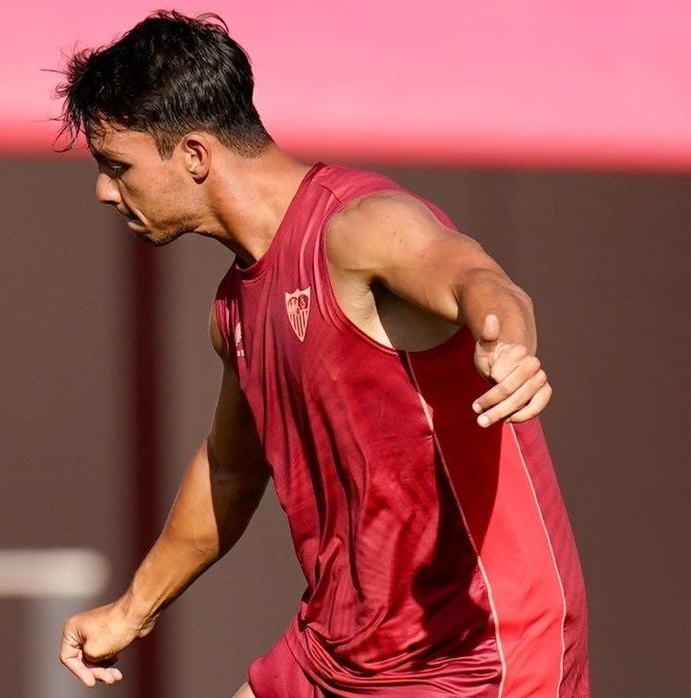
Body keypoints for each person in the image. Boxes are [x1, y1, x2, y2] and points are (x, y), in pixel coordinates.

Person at [55, 10, 588, 698]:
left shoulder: (356, 226)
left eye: (117, 166)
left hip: (472, 651)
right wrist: (132, 610)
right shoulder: (234, 309)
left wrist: (506, 340)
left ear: (193, 156)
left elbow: (472, 276)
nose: (103, 190)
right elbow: (229, 473)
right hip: (338, 649)